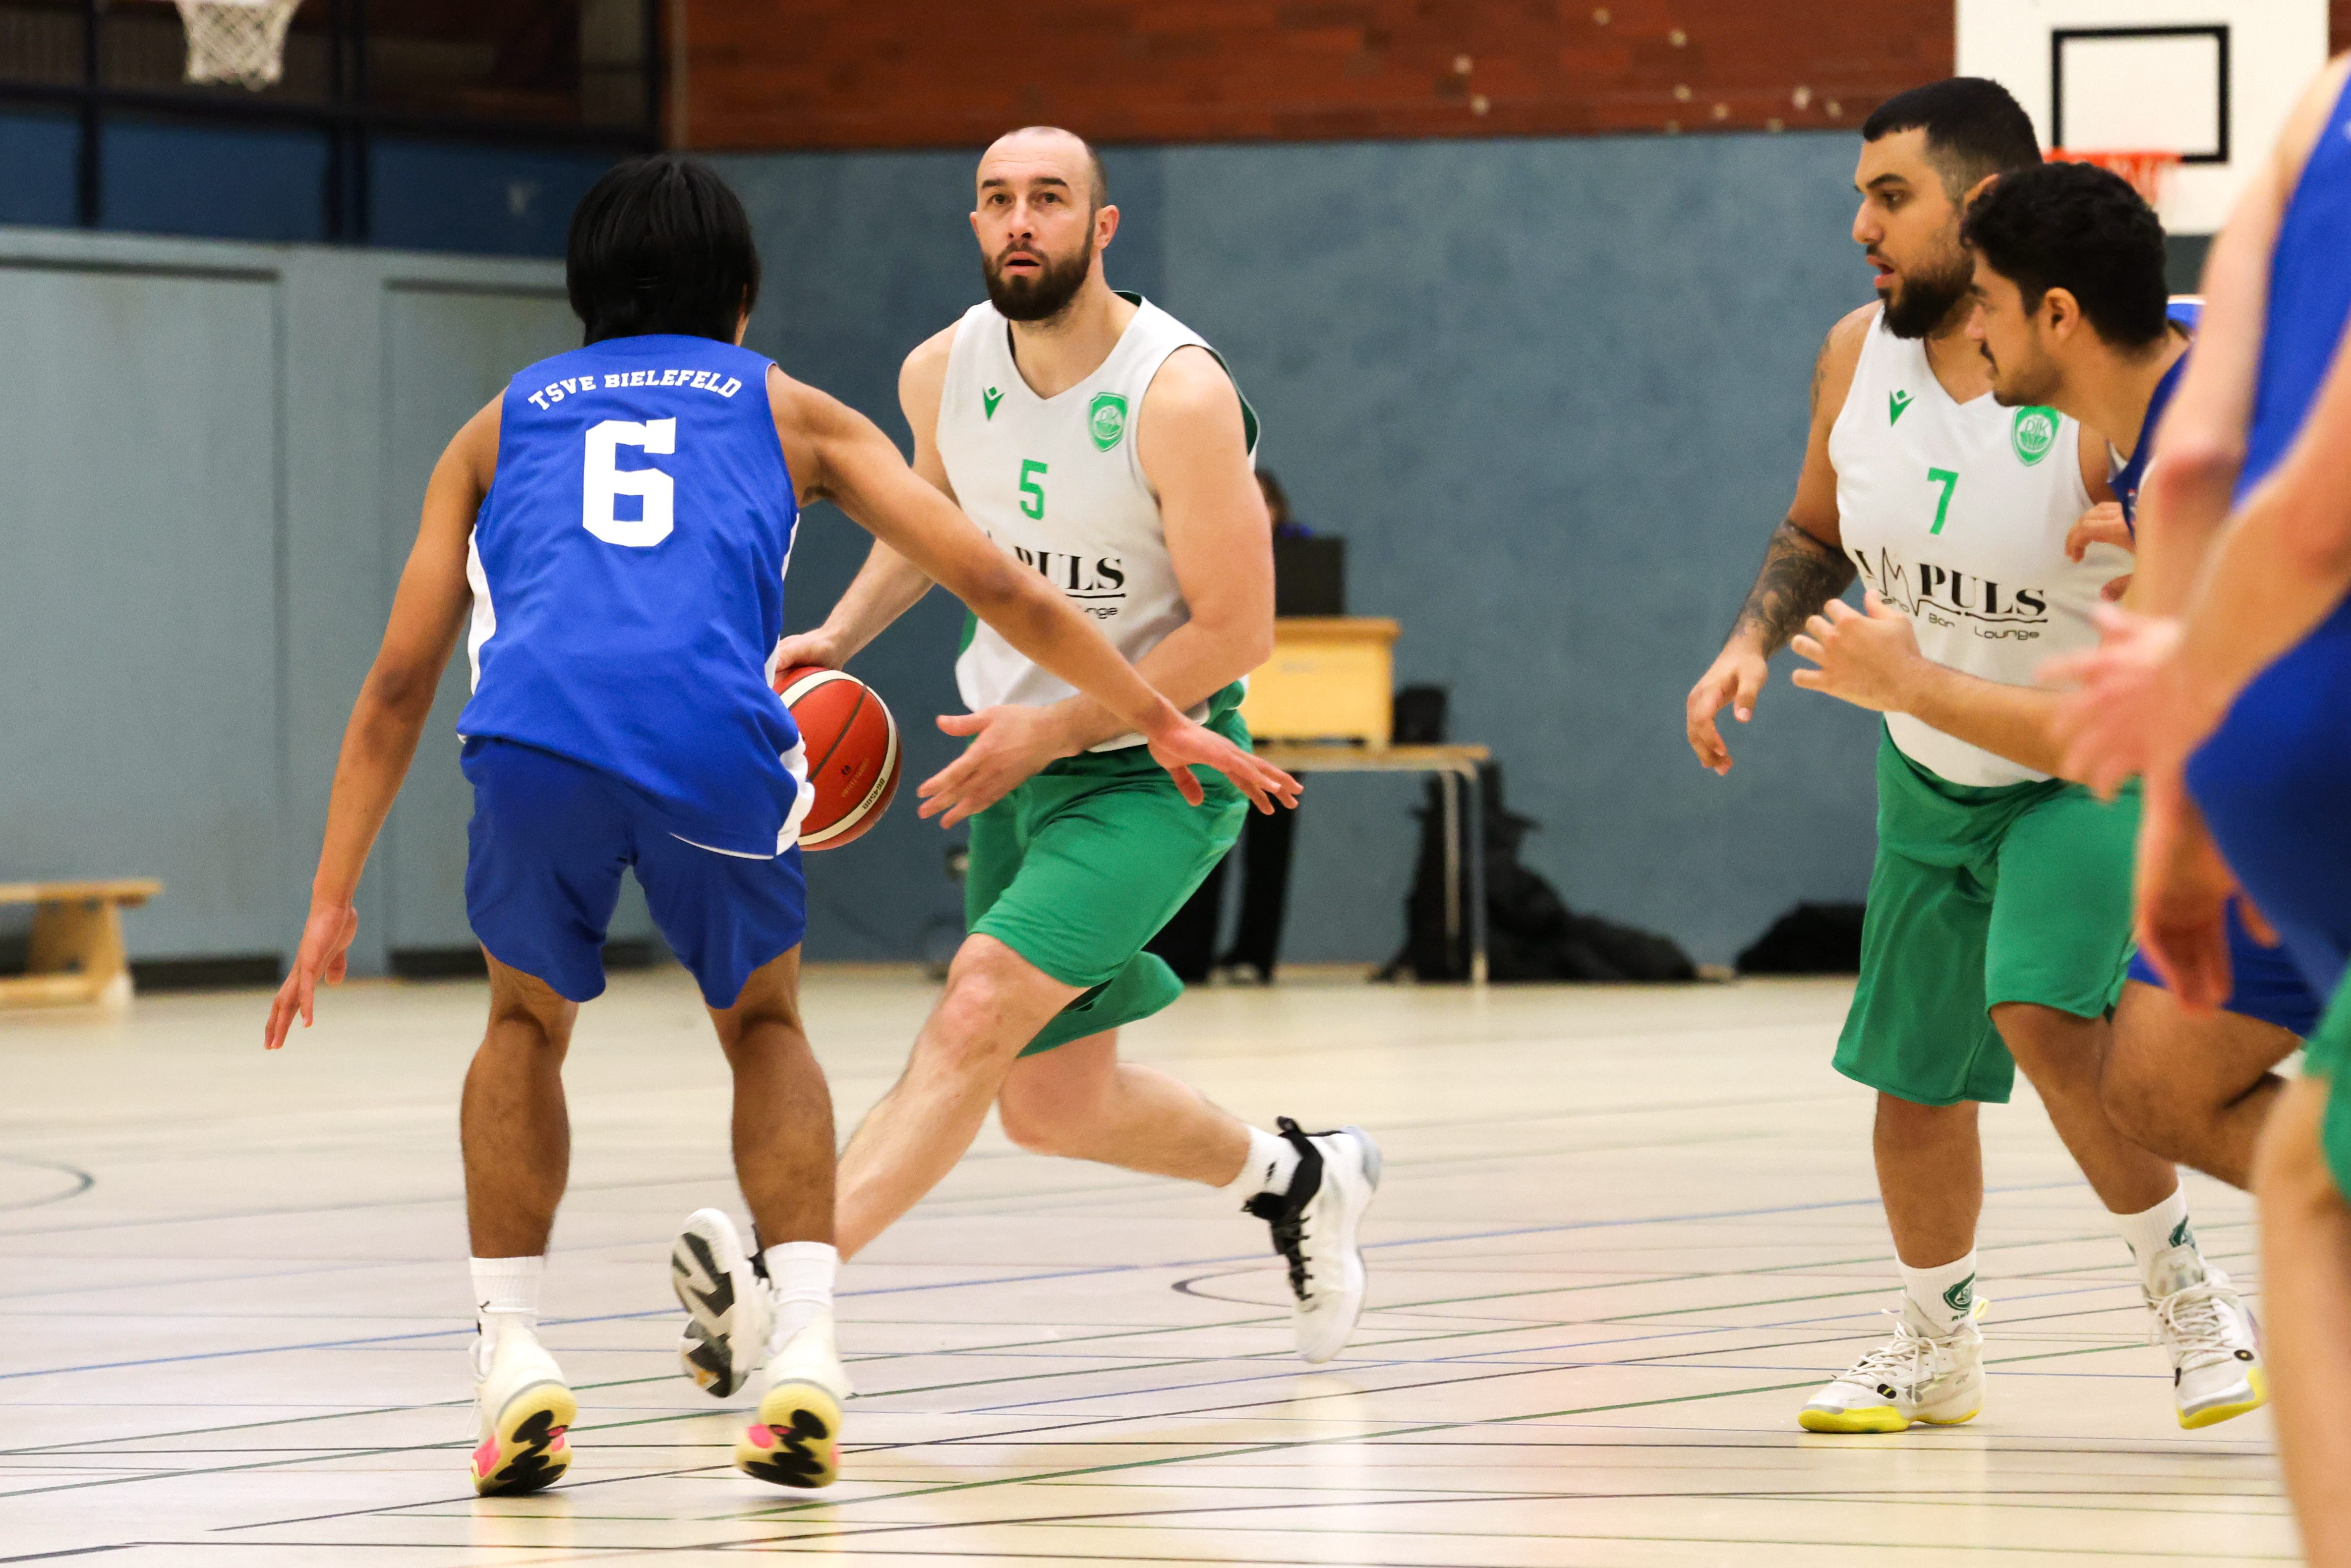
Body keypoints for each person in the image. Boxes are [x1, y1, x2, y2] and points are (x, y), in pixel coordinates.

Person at [261, 154, 1295, 1499]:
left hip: (533, 743)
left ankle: (510, 1352)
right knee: (762, 1026)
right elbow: (993, 580)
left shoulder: (495, 425)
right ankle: (804, 1345)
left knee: (522, 1026)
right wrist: (1155, 711)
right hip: (711, 735)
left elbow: (399, 683)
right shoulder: (785, 406)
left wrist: (331, 893)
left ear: (579, 294)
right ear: (740, 298)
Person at [666, 128, 1380, 1392]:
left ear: (1101, 229)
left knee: (978, 1003)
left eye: (1049, 199)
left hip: (1156, 764)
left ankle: (779, 1288)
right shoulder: (943, 371)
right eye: (997, 199)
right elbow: (937, 523)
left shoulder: (1179, 395)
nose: (1019, 221)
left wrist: (1051, 727)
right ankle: (1299, 1177)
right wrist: (837, 635)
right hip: (1014, 761)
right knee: (1051, 1104)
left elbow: (1238, 631)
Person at [1681, 79, 2247, 1436]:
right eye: (1857, 199)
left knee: (2041, 1011)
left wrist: (2163, 541)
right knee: (1914, 1078)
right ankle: (1936, 1342)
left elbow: (2218, 514)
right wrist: (1748, 641)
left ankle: (2187, 1293)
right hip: (1928, 758)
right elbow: (1814, 527)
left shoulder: (2092, 364)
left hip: (2080, 754)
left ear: (1979, 204)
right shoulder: (1851, 354)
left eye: (1890, 197)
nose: (1861, 228)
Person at [1789, 160, 2316, 1205]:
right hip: (2279, 803)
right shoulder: (2177, 385)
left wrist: (1909, 683)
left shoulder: (2199, 454)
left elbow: (2119, 739)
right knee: (2154, 1087)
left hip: (2312, 796)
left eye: (1986, 303)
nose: (1970, 328)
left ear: (2060, 315)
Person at [2041, 55, 2351, 1563]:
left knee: (2307, 1172)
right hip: (2285, 667)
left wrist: (2179, 797)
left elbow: (2200, 478)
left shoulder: (2315, 108)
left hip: (2271, 730)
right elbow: (2310, 506)